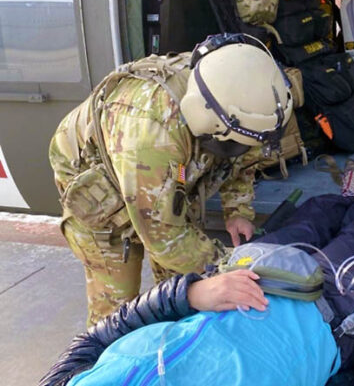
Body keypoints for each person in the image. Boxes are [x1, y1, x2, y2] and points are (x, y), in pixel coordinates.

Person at [39, 157, 354, 386]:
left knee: (310, 219)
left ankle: (345, 198)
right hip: (324, 319)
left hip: (247, 274)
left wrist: (192, 294)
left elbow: (103, 334)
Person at [49, 34, 294, 326]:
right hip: (102, 199)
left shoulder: (233, 92)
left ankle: (173, 341)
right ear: (208, 123)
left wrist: (237, 212)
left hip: (157, 178)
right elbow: (164, 238)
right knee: (117, 315)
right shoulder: (152, 135)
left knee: (183, 285)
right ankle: (95, 367)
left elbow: (240, 159)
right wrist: (225, 267)